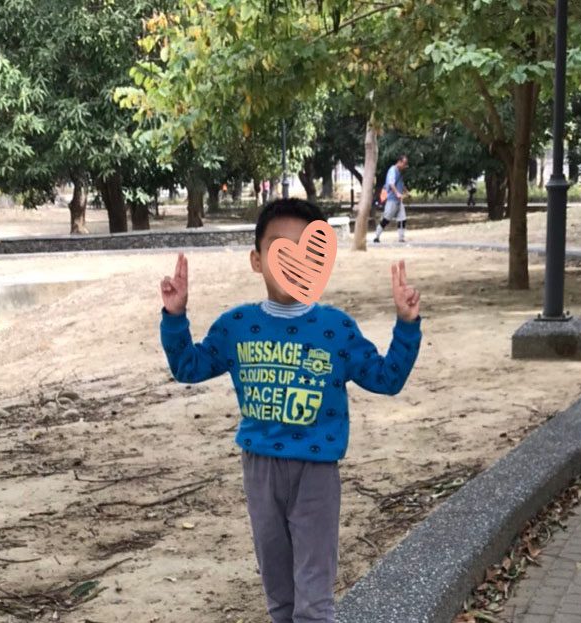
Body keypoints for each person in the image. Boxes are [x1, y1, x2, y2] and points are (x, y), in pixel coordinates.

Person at [158, 198, 423, 623]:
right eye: (281, 249)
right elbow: (190, 366)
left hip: (316, 473)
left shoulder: (335, 328)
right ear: (257, 260)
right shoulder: (236, 325)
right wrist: (175, 317)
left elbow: (386, 377)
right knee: (280, 597)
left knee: (313, 602)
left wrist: (406, 325)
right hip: (260, 471)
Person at [374, 155, 409, 243]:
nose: (405, 166)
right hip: (392, 199)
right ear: (399, 162)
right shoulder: (392, 170)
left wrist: (406, 192)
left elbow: (401, 183)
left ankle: (401, 238)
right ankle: (376, 236)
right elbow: (391, 184)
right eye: (404, 164)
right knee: (386, 219)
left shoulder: (400, 172)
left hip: (399, 201)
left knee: (402, 219)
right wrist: (397, 193)